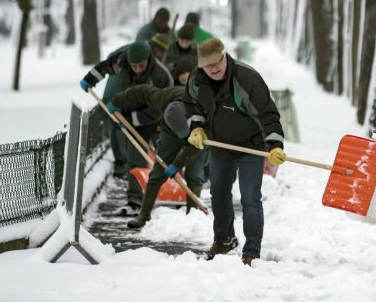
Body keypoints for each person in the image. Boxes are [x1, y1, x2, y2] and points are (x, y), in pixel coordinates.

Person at [183, 38, 285, 265]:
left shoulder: (246, 78)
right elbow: (192, 106)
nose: (214, 68)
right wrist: (197, 128)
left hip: (251, 146)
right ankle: (224, 240)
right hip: (220, 145)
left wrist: (275, 145)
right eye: (208, 65)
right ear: (201, 66)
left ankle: (251, 251)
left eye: (217, 61)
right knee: (218, 192)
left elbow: (268, 113)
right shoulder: (197, 80)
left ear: (224, 56)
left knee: (250, 197)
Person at [80, 41, 174, 215]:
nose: (137, 69)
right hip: (131, 108)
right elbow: (104, 67)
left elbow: (159, 110)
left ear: (149, 60)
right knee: (135, 160)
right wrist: (90, 79)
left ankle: (174, 194)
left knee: (165, 155)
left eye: (141, 65)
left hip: (158, 118)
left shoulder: (161, 76)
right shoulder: (121, 61)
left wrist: (131, 120)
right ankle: (135, 201)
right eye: (134, 66)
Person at [109, 82, 207, 229]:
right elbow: (139, 90)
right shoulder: (161, 98)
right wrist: (117, 101)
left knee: (194, 172)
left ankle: (191, 218)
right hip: (170, 133)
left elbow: (196, 146)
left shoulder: (203, 107)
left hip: (198, 132)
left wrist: (177, 165)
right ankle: (144, 215)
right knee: (158, 172)